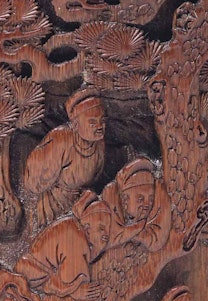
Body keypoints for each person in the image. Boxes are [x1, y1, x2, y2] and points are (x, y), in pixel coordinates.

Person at [23, 89, 106, 228]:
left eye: (102, 120)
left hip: (79, 204)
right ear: (76, 125)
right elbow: (34, 182)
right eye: (92, 122)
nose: (99, 127)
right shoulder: (61, 139)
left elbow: (95, 176)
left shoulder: (99, 144)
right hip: (52, 205)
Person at [101, 158, 171, 253]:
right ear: (125, 201)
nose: (146, 204)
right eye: (140, 199)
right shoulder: (110, 214)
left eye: (151, 199)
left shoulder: (153, 223)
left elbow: (156, 240)